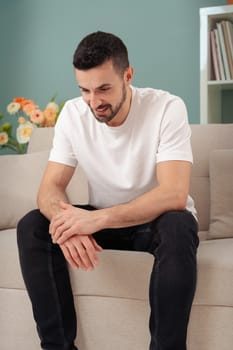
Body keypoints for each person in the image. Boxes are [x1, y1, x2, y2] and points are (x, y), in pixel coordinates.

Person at [17, 31, 199, 350]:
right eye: (85, 90)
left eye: (103, 88)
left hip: (154, 224)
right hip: (105, 222)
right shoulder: (73, 115)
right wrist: (69, 227)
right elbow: (49, 189)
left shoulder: (168, 108)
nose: (94, 101)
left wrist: (96, 220)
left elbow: (174, 194)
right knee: (33, 224)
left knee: (179, 223)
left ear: (128, 75)